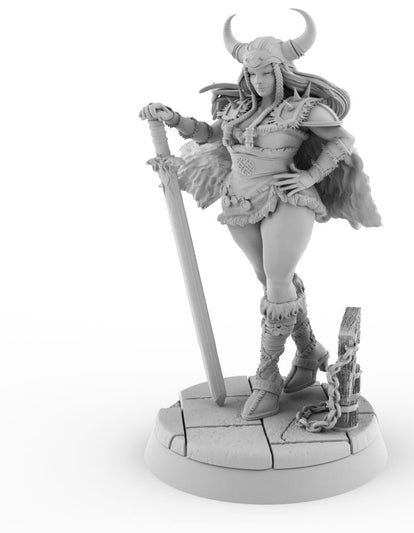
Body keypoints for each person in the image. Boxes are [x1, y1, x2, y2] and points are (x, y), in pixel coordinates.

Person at [139, 9, 381, 420]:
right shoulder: (238, 109)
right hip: (238, 201)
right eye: (251, 73)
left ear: (282, 71)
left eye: (265, 72)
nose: (257, 80)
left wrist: (310, 177)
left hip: (287, 199)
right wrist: (174, 119)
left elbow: (343, 139)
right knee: (269, 281)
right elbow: (211, 134)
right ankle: (309, 352)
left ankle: (267, 377)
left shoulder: (302, 110)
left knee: (277, 281)